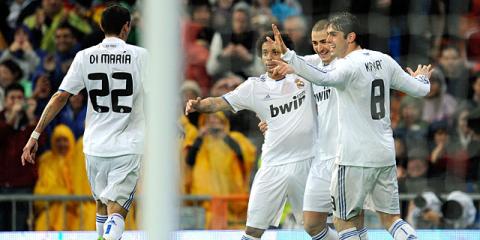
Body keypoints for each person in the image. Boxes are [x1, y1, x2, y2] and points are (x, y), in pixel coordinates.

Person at [269, 12, 432, 240]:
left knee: (343, 221)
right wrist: (423, 78)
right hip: (384, 154)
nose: (329, 41)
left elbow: (323, 78)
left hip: (352, 157)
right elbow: (421, 90)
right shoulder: (384, 60)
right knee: (392, 220)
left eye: (333, 35)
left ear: (350, 37)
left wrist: (289, 55)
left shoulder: (346, 67)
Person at [21, 5, 147, 240]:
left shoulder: (84, 56)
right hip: (127, 146)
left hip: (94, 147)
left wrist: (35, 134)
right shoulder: (140, 55)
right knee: (117, 211)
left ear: (101, 27)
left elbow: (60, 96)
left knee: (100, 203)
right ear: (126, 27)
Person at [186, 32, 317, 240]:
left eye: (275, 51)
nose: (269, 57)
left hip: (308, 163)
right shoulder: (254, 87)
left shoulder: (306, 76)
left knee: (315, 229)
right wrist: (200, 105)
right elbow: (219, 102)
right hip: (273, 166)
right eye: (265, 53)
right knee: (253, 230)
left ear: (286, 53)